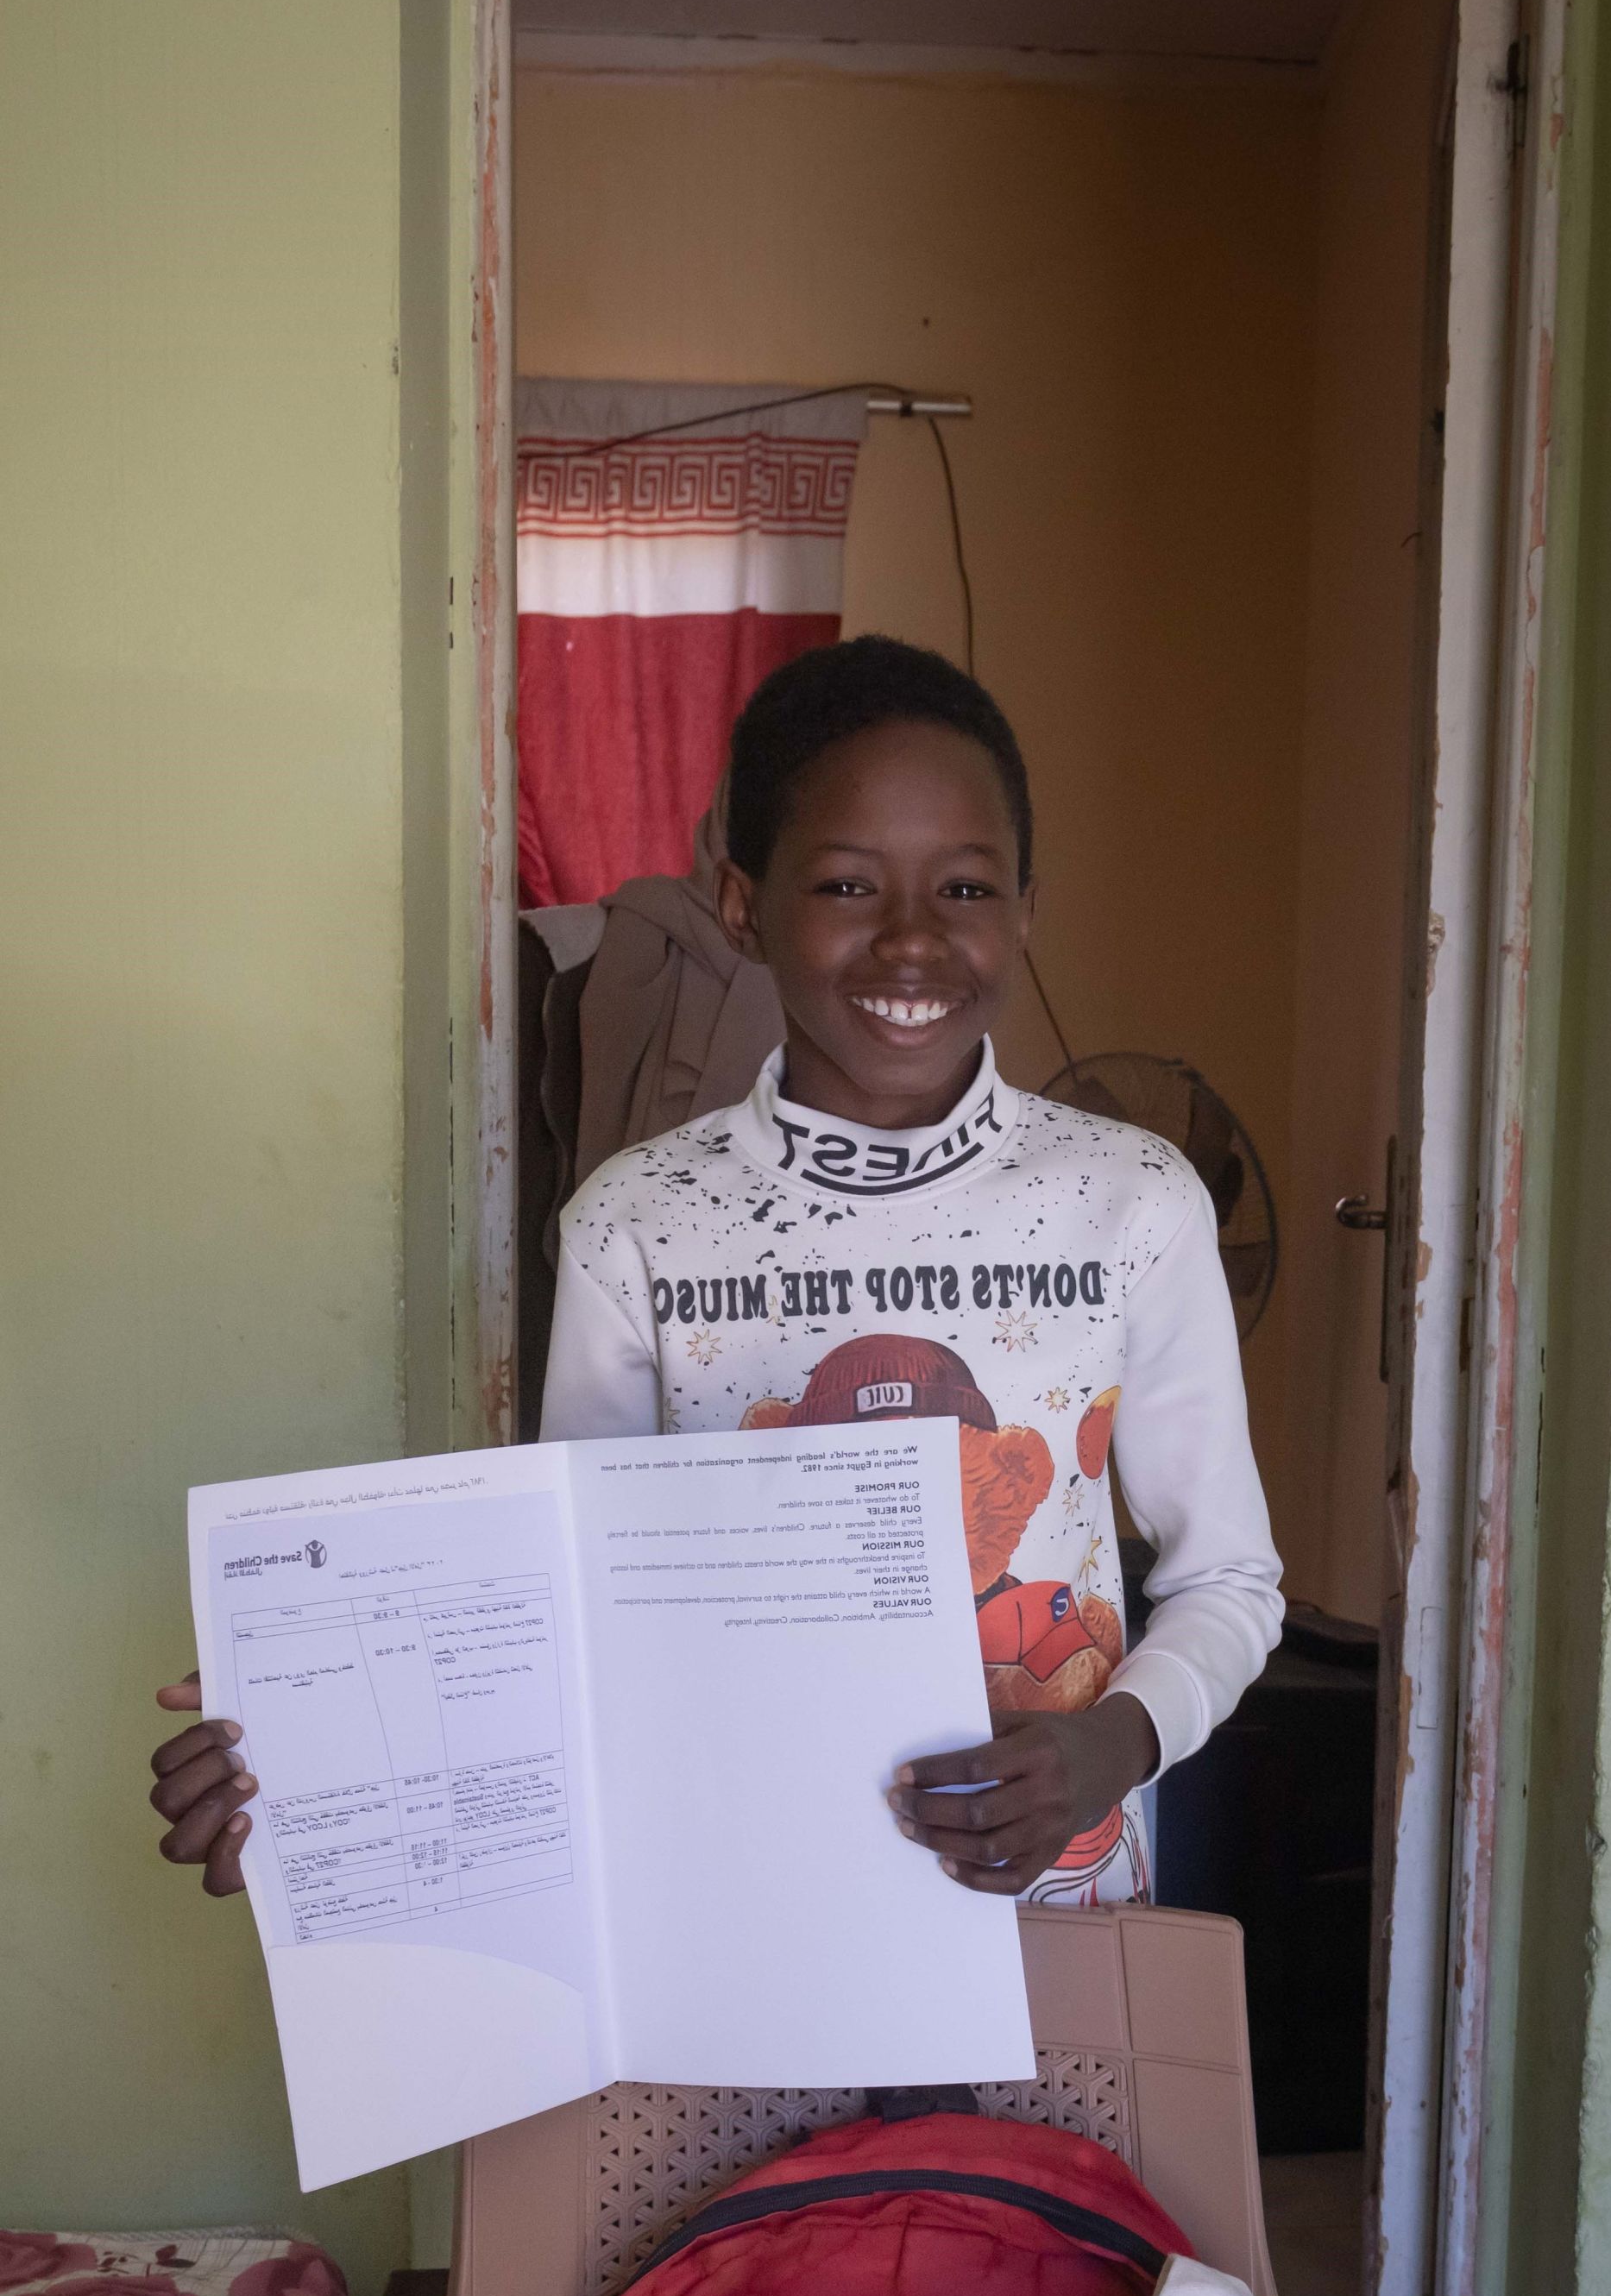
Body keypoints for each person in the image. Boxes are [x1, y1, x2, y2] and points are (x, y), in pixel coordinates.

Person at [148, 636, 1281, 1903]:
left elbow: (1227, 1581)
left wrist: (1108, 1744)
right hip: (737, 1911)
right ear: (744, 904)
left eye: (965, 890)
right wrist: (312, 1777)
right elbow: (579, 1615)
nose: (912, 942)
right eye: (849, 887)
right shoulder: (640, 1225)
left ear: (1026, 909)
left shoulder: (1130, 1205)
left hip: (1064, 1916)